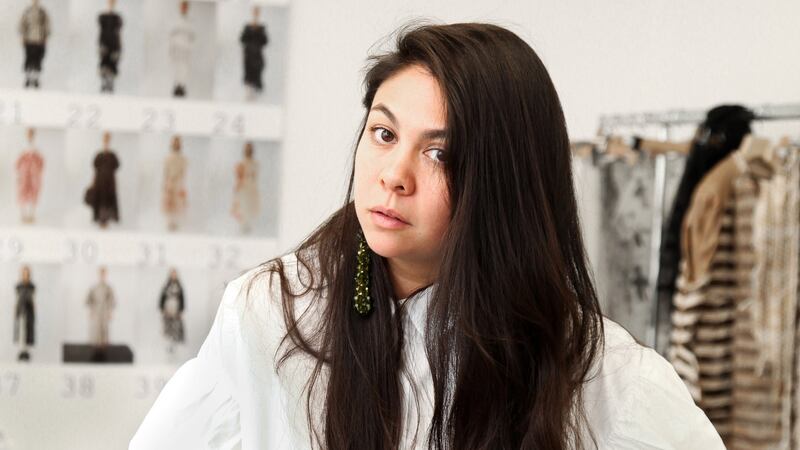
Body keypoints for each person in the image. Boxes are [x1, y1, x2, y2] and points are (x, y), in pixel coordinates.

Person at [130, 23, 724, 449]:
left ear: (505, 183)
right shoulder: (272, 314)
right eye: (384, 134)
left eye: (439, 153)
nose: (394, 175)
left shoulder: (604, 380)